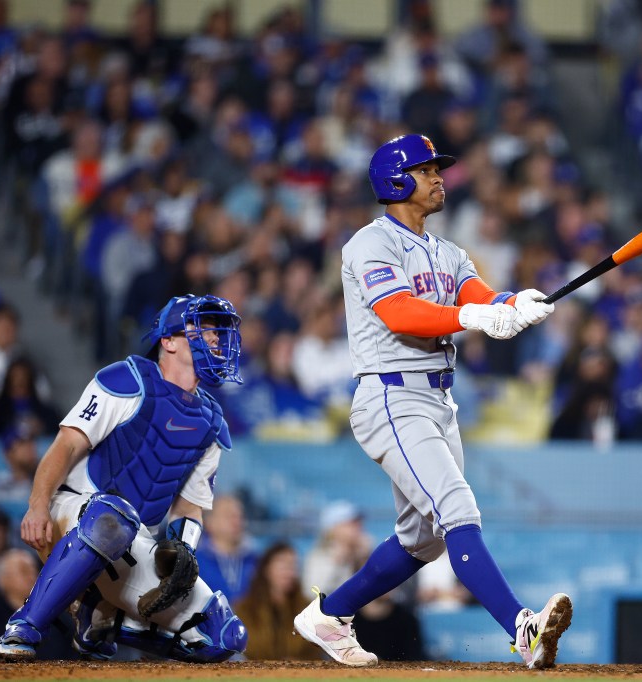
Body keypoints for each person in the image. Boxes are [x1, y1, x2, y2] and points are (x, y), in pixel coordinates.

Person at [292, 134, 572, 669]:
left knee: (422, 541)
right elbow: (399, 311)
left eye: (436, 168)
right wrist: (474, 317)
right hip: (391, 397)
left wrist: (515, 303)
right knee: (457, 510)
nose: (439, 176)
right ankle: (523, 631)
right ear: (396, 181)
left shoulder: (447, 251)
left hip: (437, 401)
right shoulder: (370, 243)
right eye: (426, 170)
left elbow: (478, 297)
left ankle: (331, 614)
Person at [0, 294, 249, 662]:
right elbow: (65, 446)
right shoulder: (127, 379)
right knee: (113, 517)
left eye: (218, 332)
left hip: (134, 538)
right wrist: (37, 506)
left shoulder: (211, 422)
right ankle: (25, 627)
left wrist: (182, 551)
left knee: (225, 636)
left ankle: (102, 620)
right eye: (204, 329)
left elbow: (189, 506)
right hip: (73, 513)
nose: (215, 339)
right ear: (169, 340)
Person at [0, 548, 75, 660]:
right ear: (3, 580)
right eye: (24, 571)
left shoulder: (59, 619)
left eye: (34, 570)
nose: (33, 575)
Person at [233, 542, 320, 661]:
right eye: (283, 565)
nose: (289, 572)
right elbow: (246, 648)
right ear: (266, 568)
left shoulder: (308, 609)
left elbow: (315, 650)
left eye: (293, 566)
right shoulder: (244, 609)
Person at [195, 494, 260, 605]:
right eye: (229, 516)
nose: (236, 521)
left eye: (240, 516)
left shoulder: (256, 561)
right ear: (209, 522)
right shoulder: (195, 562)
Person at [301, 500, 373, 596]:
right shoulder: (318, 556)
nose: (358, 527)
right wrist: (336, 564)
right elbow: (312, 594)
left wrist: (366, 559)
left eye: (358, 523)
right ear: (334, 529)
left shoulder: (364, 551)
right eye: (351, 523)